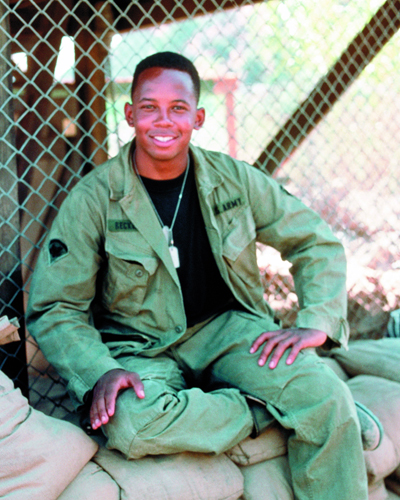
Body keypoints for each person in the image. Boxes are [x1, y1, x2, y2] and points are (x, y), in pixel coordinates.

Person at [27, 51, 370, 499]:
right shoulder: (94, 198)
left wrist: (317, 322)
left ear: (199, 117)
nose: (163, 120)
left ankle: (266, 401)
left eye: (178, 108)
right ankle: (258, 410)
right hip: (140, 347)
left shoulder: (234, 180)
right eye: (149, 107)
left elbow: (313, 241)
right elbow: (56, 306)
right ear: (130, 114)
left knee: (327, 399)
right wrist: (100, 371)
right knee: (132, 426)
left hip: (229, 330)